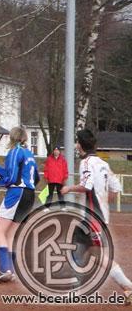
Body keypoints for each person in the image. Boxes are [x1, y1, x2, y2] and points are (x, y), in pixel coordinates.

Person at [61, 129, 132, 303]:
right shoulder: (103, 164)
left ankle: (128, 286)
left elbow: (87, 185)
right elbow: (115, 188)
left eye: (77, 142)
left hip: (92, 219)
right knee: (77, 248)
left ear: (81, 145)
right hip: (96, 218)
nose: (76, 145)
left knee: (98, 256)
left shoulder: (86, 163)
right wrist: (103, 204)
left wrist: (69, 188)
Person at [0, 126, 39, 284]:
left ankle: (5, 269)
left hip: (17, 193)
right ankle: (11, 270)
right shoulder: (29, 154)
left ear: (12, 138)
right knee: (10, 234)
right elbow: (37, 178)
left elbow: (11, 176)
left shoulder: (15, 151)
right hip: (30, 194)